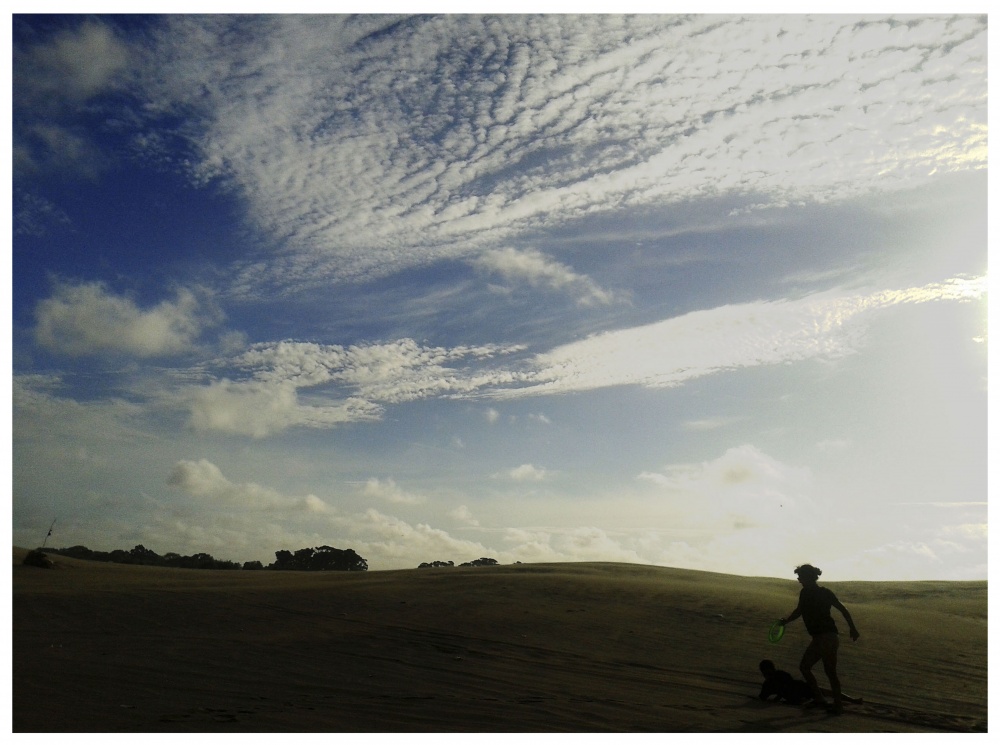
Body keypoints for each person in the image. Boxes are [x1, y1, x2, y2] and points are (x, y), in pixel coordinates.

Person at [778, 564, 860, 715]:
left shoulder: (816, 593)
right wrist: (786, 621)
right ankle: (829, 702)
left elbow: (842, 609)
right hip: (827, 637)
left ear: (808, 577)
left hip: (825, 637)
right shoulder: (812, 593)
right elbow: (800, 611)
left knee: (812, 668)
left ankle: (828, 702)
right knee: (820, 670)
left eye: (800, 577)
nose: (799, 580)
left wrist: (853, 628)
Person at [758, 659, 863, 706]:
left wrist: (776, 699)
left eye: (768, 672)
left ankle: (852, 700)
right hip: (799, 692)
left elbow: (784, 688)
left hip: (802, 689)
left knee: (825, 692)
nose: (767, 675)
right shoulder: (768, 683)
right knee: (824, 693)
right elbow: (763, 696)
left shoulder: (779, 676)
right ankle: (851, 701)